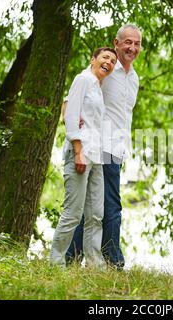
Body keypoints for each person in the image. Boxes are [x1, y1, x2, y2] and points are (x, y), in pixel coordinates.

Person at [66, 24, 142, 270]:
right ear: (116, 43)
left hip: (117, 149)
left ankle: (71, 256)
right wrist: (74, 126)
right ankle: (113, 260)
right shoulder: (105, 68)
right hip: (100, 146)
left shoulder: (134, 78)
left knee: (93, 208)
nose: (132, 47)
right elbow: (75, 96)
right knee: (112, 205)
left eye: (137, 43)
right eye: (127, 42)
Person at [50, 47, 118, 268]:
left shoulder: (98, 86)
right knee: (73, 212)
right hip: (80, 154)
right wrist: (78, 151)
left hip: (96, 157)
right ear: (93, 60)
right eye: (105, 57)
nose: (109, 62)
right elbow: (70, 115)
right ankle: (56, 262)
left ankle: (94, 263)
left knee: (96, 214)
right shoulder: (83, 79)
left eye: (113, 60)